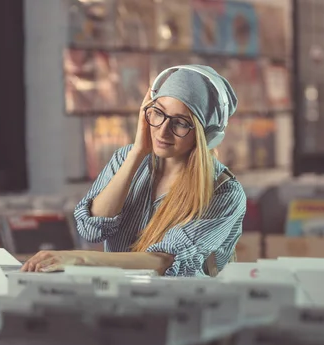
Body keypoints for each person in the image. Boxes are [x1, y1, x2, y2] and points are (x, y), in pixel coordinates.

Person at [21, 65, 247, 277]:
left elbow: (164, 261)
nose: (162, 131)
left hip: (182, 309)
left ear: (207, 135)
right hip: (119, 301)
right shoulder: (125, 158)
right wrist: (138, 152)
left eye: (180, 122)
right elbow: (91, 229)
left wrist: (77, 259)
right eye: (158, 113)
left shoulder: (224, 192)